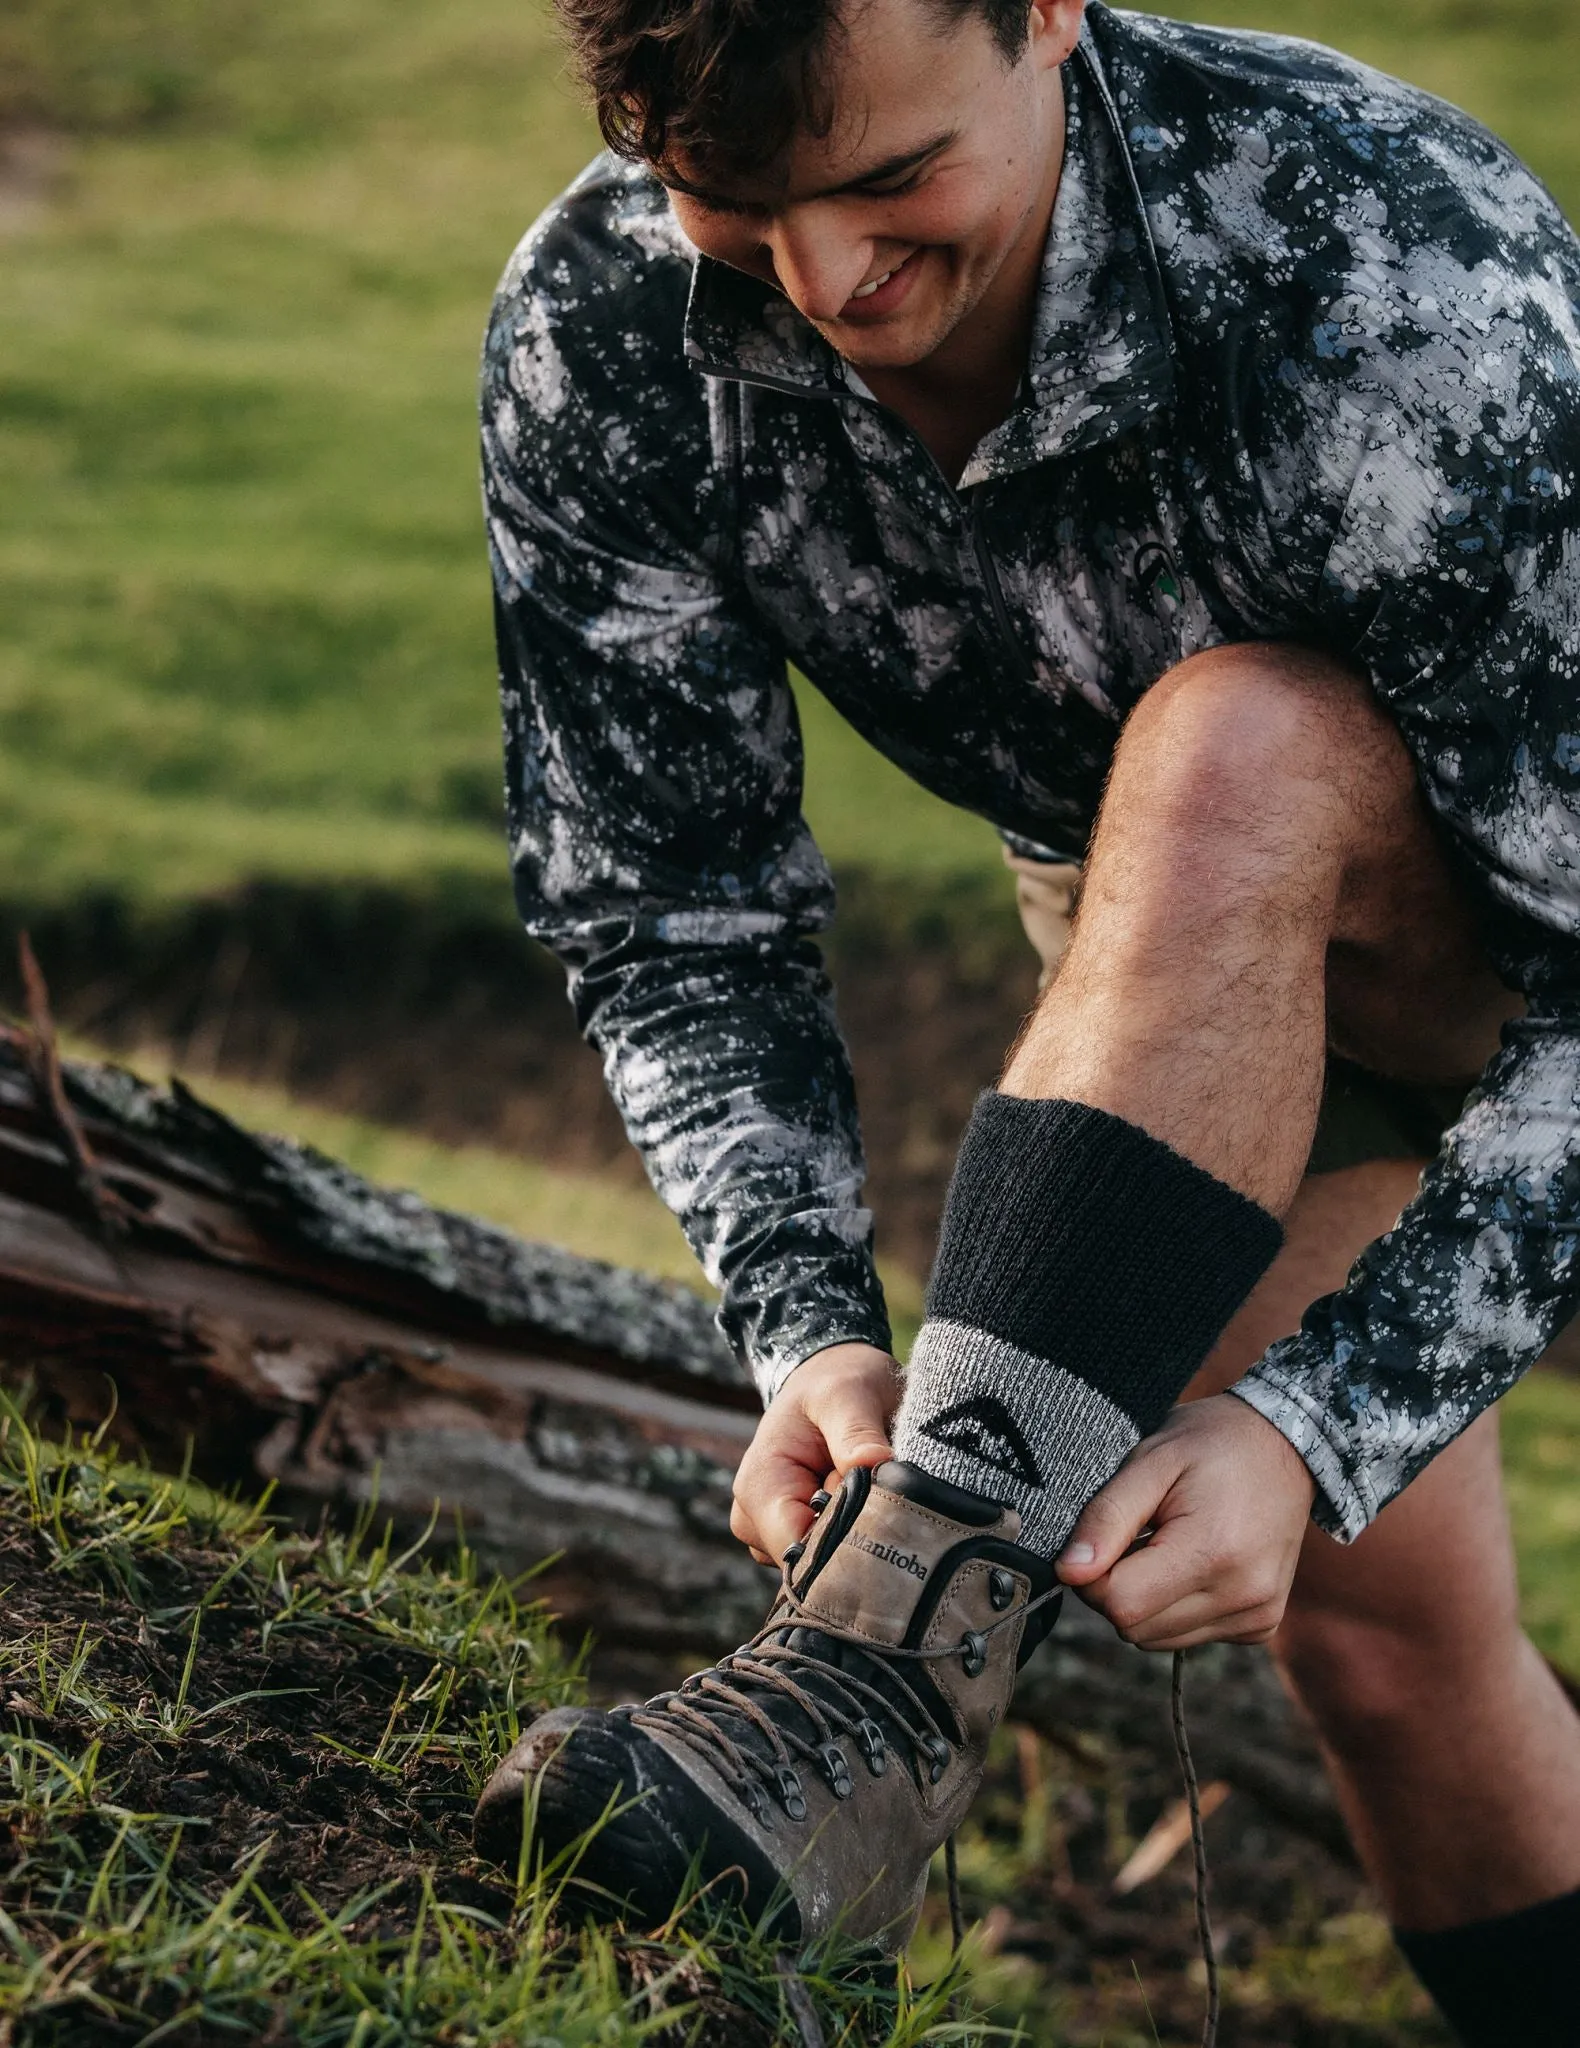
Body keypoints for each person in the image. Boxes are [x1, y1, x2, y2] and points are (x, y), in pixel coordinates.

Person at [471, 2, 1580, 2038]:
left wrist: (1319, 1419)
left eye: (893, 180)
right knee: (1387, 1656)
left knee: (1242, 736)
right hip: (1205, 953)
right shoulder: (603, 326)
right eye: (735, 203)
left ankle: (872, 1682)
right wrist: (804, 1317)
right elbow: (668, 902)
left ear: (1046, 9)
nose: (829, 284)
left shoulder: (1382, 263)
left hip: (1518, 901)